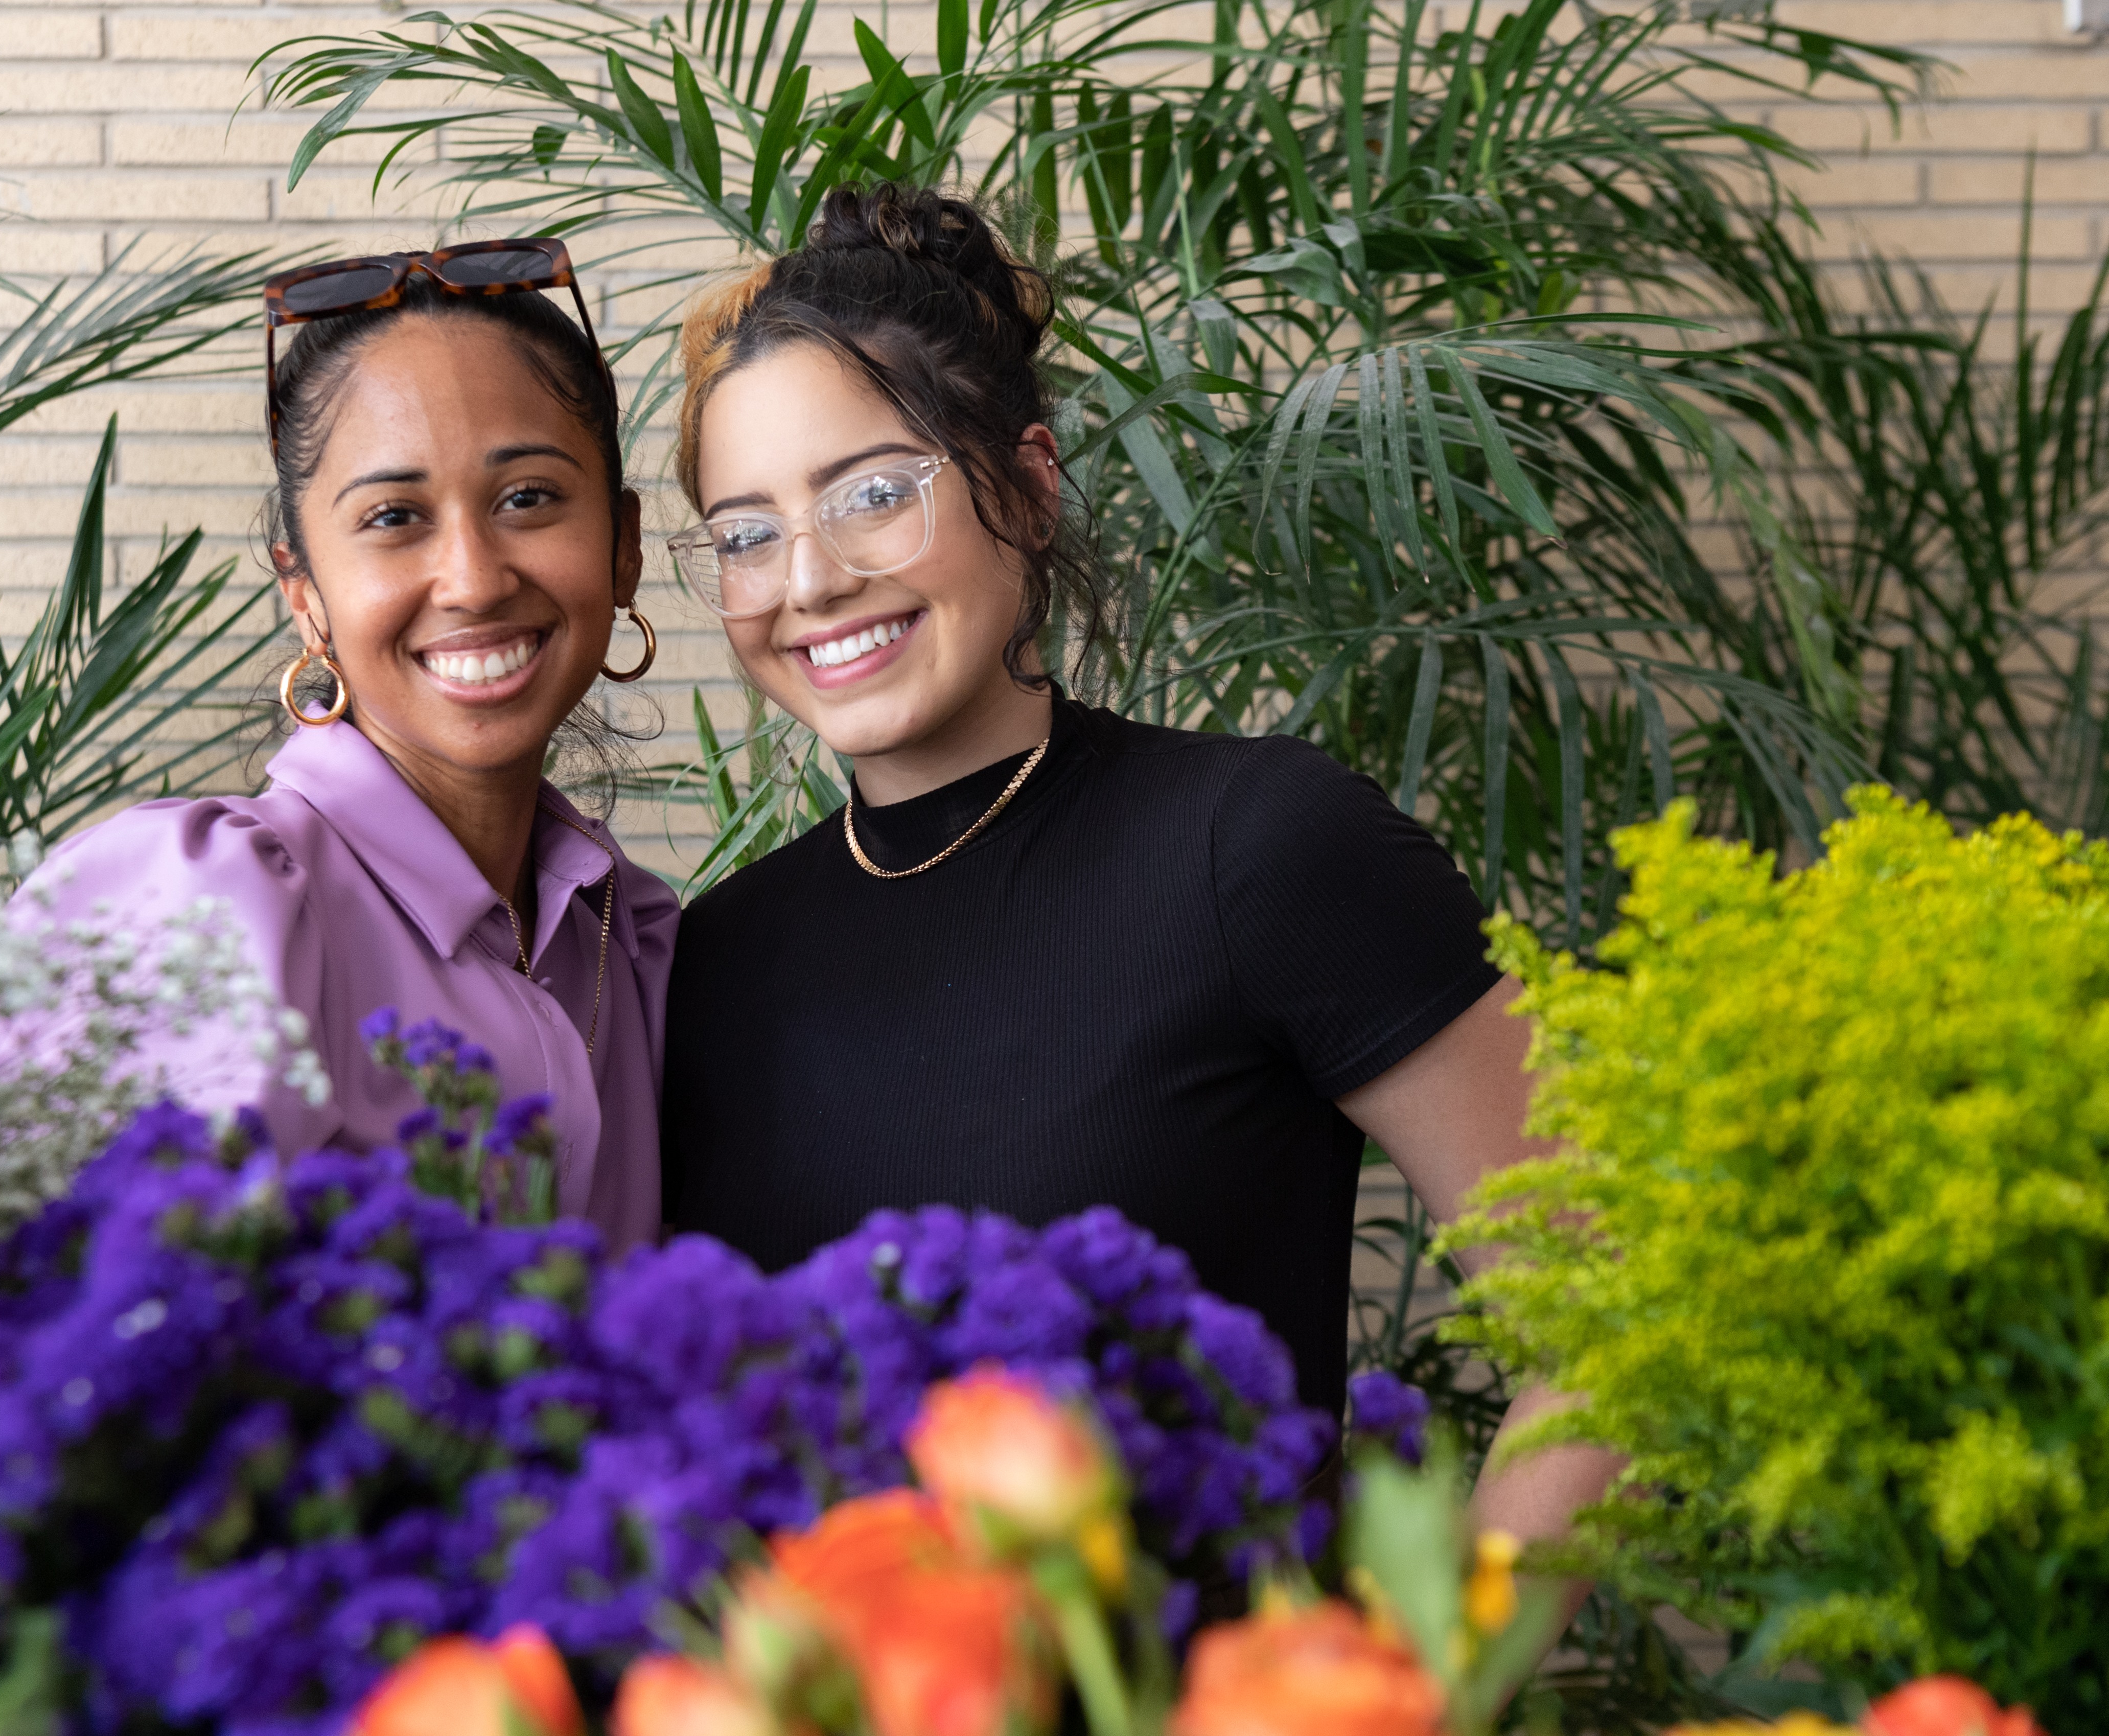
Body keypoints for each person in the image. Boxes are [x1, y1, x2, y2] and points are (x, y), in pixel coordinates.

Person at [658, 186, 1617, 1553]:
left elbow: (1613, 1313)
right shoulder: (716, 960)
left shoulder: (1259, 848)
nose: (807, 579)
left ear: (1030, 488)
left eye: (874, 494)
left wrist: (1423, 1687)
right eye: (747, 530)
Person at [18, 238, 676, 1248]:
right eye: (394, 517)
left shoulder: (628, 940)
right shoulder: (207, 903)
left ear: (623, 546)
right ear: (307, 597)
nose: (471, 578)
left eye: (528, 498)